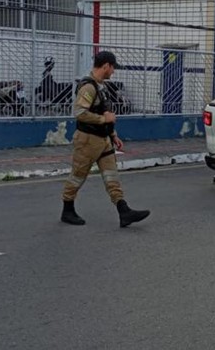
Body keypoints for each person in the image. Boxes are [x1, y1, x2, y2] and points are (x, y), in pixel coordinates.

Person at [60, 51, 150, 228]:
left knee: (112, 176)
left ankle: (124, 211)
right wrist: (104, 120)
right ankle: (67, 209)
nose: (113, 72)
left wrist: (113, 135)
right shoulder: (89, 87)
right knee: (78, 175)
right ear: (106, 66)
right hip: (87, 140)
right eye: (113, 67)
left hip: (103, 139)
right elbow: (79, 113)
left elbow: (104, 111)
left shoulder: (102, 86)